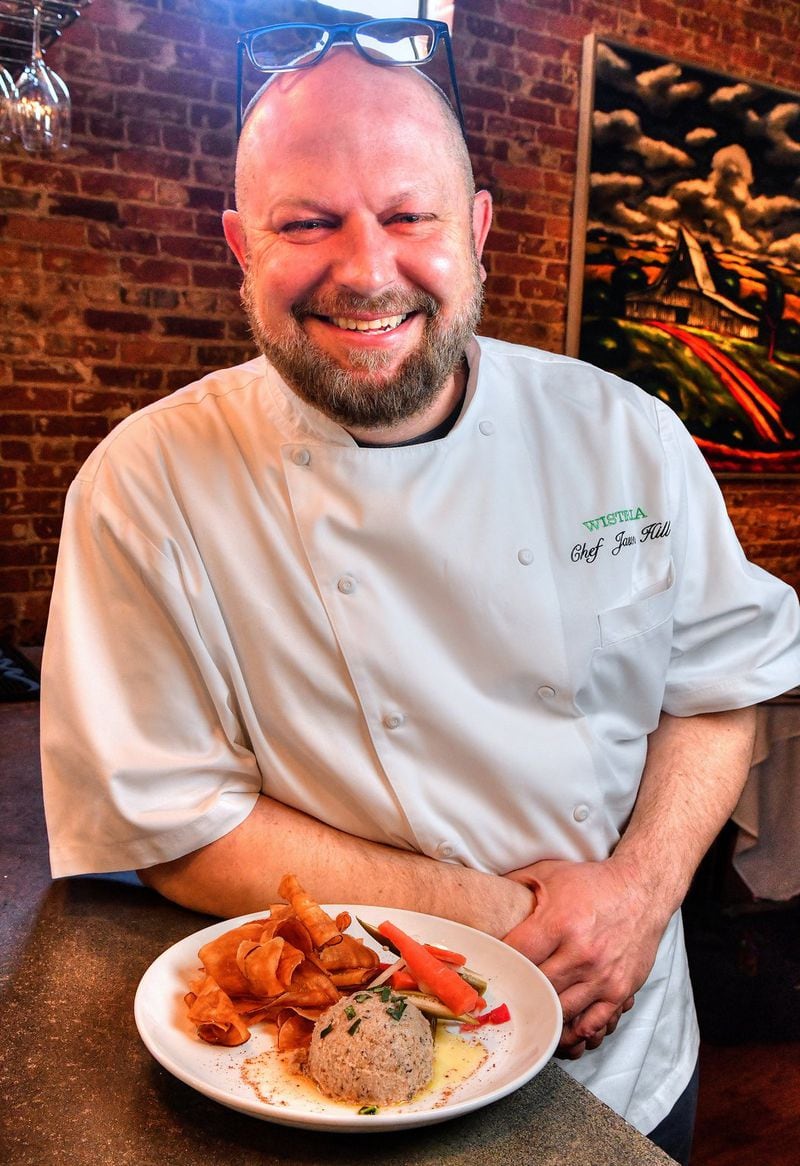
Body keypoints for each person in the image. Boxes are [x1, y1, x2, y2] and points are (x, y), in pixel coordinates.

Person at [40, 46, 800, 1164]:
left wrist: (636, 895)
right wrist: (500, 926)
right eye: (306, 224)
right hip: (330, 1076)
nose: (365, 268)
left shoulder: (624, 433)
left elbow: (717, 688)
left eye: (408, 213)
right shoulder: (145, 481)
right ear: (240, 247)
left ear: (476, 228)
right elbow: (173, 820)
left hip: (629, 1050)